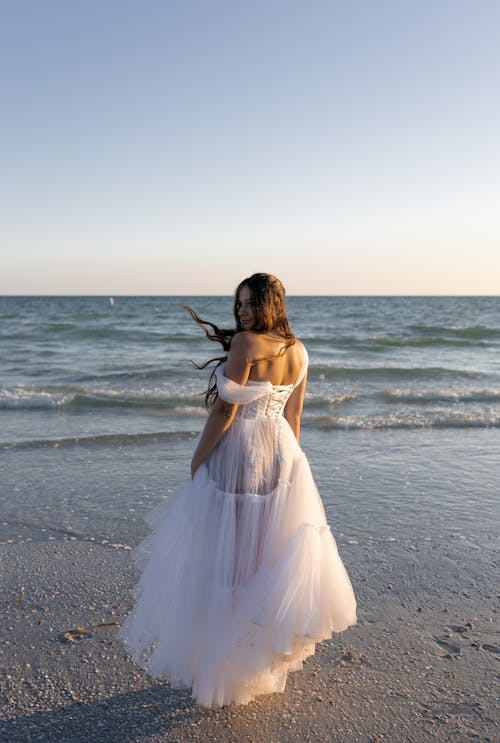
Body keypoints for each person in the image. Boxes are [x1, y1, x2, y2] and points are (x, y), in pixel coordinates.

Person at [118, 273, 356, 707]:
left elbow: (226, 409)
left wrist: (198, 458)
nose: (241, 311)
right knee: (260, 558)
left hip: (242, 453)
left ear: (269, 304)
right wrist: (288, 470)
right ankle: (245, 664)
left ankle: (223, 667)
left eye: (249, 303)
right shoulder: (300, 351)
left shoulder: (247, 344)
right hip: (283, 455)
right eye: (239, 303)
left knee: (226, 561)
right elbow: (293, 418)